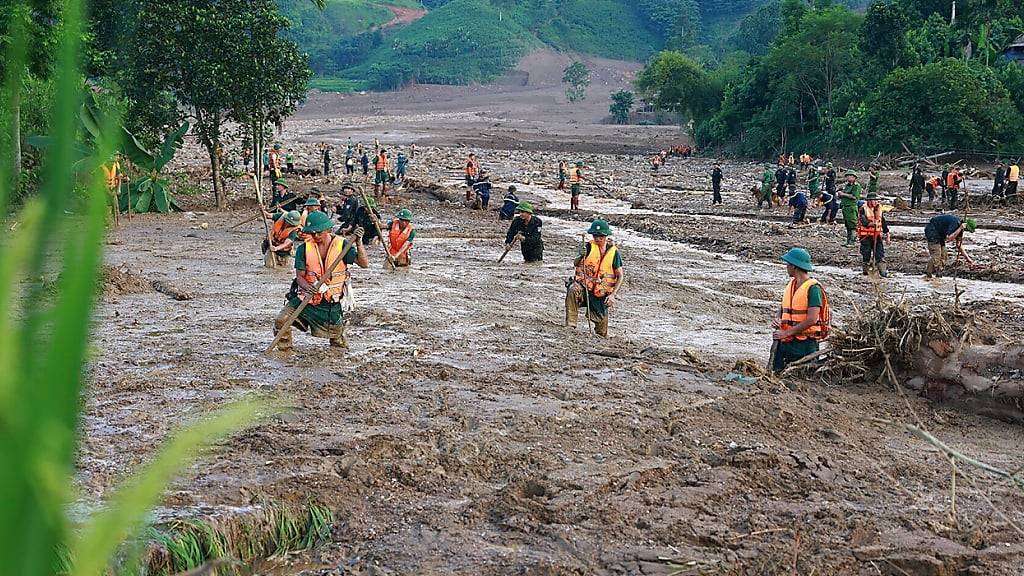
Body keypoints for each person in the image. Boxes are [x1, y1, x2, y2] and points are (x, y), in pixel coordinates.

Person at [271, 212, 368, 352]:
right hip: (307, 298)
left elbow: (364, 264)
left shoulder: (342, 246)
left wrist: (359, 243)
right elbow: (299, 276)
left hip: (330, 302)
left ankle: (339, 354)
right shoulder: (303, 248)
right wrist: (308, 287)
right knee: (282, 320)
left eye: (319, 232)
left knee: (336, 337)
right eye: (313, 233)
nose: (316, 236)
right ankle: (285, 350)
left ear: (328, 230)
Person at [771, 248, 831, 372]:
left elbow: (812, 319)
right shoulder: (792, 285)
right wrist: (778, 318)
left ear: (794, 266)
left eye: (788, 264)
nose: (786, 266)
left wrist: (787, 332)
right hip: (786, 343)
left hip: (805, 346)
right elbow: (783, 308)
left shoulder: (813, 288)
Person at [565, 220, 623, 338]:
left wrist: (613, 295)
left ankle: (601, 335)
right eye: (595, 236)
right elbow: (575, 263)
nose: (598, 239)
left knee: (602, 332)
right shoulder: (588, 247)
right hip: (584, 288)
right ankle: (570, 326)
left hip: (601, 293)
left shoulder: (614, 253)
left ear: (606, 236)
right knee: (573, 289)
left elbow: (620, 275)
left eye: (601, 236)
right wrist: (581, 255)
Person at [856, 192, 890, 277]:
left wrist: (887, 233)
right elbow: (863, 221)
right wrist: (871, 224)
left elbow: (882, 221)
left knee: (880, 253)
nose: (876, 202)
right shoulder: (863, 209)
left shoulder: (878, 208)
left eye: (877, 200)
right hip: (866, 236)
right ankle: (866, 271)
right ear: (869, 201)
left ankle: (883, 272)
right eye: (874, 200)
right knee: (866, 254)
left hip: (877, 235)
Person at [838, 171, 862, 245]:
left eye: (850, 176)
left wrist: (843, 194)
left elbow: (854, 197)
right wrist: (840, 194)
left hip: (851, 207)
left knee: (852, 225)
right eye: (847, 176)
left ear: (854, 177)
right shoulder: (847, 186)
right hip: (845, 207)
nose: (848, 177)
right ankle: (848, 241)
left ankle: (852, 242)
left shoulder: (856, 186)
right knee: (847, 224)